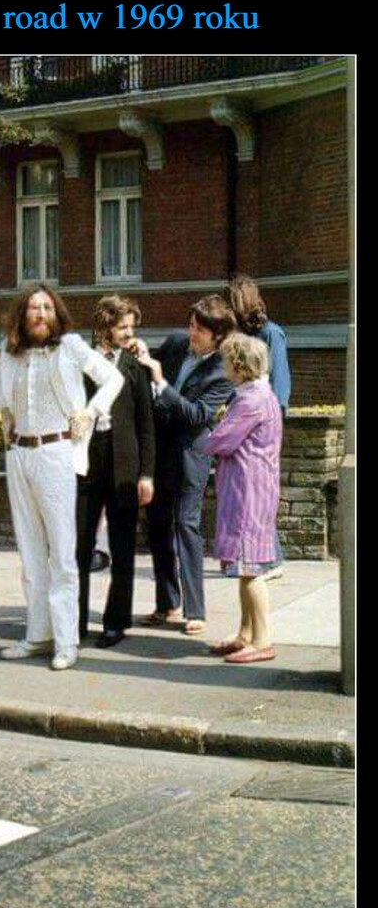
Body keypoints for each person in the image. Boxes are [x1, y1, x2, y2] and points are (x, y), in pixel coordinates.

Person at [0, 284, 123, 671]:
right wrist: (5, 415)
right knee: (30, 551)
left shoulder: (70, 346)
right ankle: (38, 634)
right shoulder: (9, 350)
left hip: (57, 453)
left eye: (46, 307)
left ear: (56, 313)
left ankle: (66, 641)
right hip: (19, 453)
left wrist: (92, 411)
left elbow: (112, 379)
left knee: (62, 555)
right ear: (22, 314)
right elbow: (2, 390)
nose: (39, 313)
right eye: (33, 307)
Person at [134, 296, 236, 634]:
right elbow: (145, 365)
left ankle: (196, 610)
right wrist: (139, 351)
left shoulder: (222, 372)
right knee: (158, 528)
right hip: (159, 453)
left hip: (189, 457)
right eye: (191, 324)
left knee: (187, 528)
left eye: (199, 329)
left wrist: (161, 382)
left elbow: (196, 416)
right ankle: (167, 604)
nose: (190, 331)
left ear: (218, 336)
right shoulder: (177, 343)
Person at [76, 296, 155, 647]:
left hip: (124, 463)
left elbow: (146, 425)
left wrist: (146, 475)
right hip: (86, 463)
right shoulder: (81, 362)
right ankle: (74, 621)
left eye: (131, 328)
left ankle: (115, 621)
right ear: (104, 327)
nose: (128, 333)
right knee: (79, 546)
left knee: (122, 546)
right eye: (122, 327)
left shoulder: (135, 366)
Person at [201, 332, 282, 663]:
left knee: (250, 568)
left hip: (249, 489)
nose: (222, 366)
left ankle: (261, 640)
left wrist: (207, 435)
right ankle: (246, 634)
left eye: (225, 360)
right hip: (249, 486)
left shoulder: (250, 400)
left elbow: (222, 441)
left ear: (237, 364)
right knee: (243, 567)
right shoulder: (259, 394)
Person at [224, 275, 291, 579]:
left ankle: (269, 560)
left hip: (264, 424)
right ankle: (269, 558)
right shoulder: (240, 335)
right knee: (252, 496)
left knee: (260, 494)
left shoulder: (272, 334)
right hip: (247, 418)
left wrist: (270, 424)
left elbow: (278, 385)